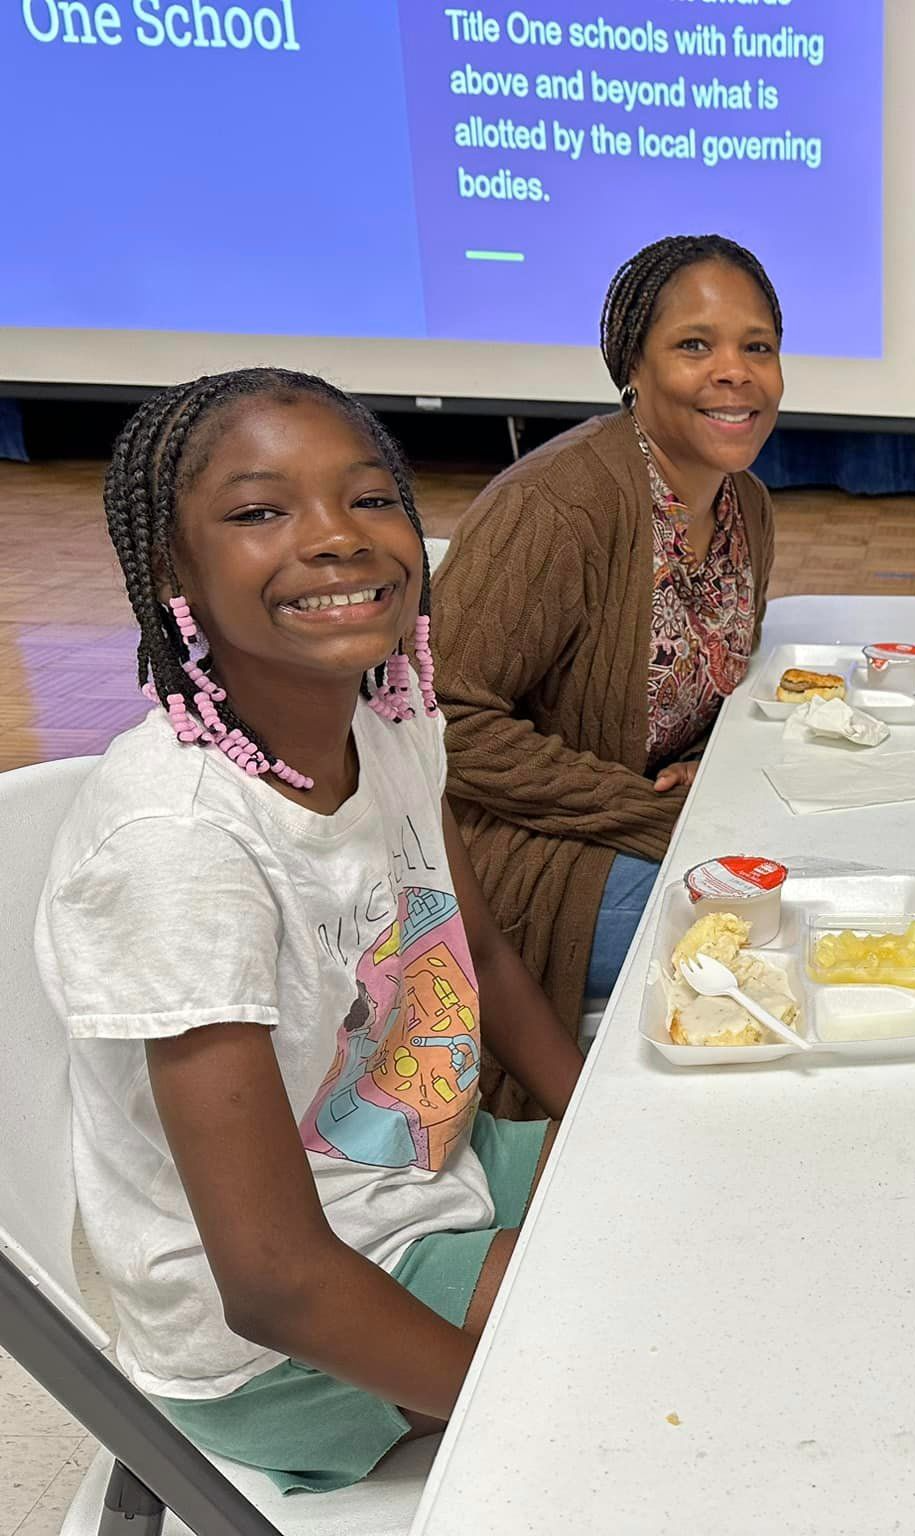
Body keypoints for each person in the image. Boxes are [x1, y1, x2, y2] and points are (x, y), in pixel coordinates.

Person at [34, 370, 585, 1492]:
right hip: (287, 1334)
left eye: (371, 498)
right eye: (258, 511)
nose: (336, 539)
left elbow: (472, 949)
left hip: (429, 1172)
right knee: (651, 1336)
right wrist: (530, 1409)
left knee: (711, 1195)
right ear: (168, 570)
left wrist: (601, 1124)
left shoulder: (391, 719)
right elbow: (275, 1280)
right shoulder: (178, 847)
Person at [432, 234, 782, 1104]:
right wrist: (650, 812)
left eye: (758, 346)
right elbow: (440, 717)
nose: (734, 372)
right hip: (526, 857)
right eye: (694, 345)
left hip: (644, 822)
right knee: (765, 948)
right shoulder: (557, 507)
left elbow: (693, 690)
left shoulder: (746, 504)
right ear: (633, 366)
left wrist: (710, 767)